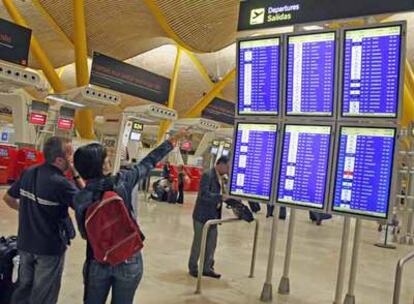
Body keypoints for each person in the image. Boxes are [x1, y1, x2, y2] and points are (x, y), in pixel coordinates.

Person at [73, 128, 188, 304]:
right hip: (129, 258)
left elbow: (84, 233)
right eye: (106, 158)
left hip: (97, 260)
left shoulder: (80, 198)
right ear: (104, 166)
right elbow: (148, 162)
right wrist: (172, 141)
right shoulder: (123, 181)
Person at [3, 136, 84, 304]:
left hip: (25, 243)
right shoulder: (62, 184)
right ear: (60, 159)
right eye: (71, 154)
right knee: (44, 294)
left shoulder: (29, 172)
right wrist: (76, 174)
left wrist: (25, 210)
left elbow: (8, 198)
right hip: (49, 249)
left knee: (23, 287)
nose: (73, 158)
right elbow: (87, 204)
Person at [188, 156, 230, 279]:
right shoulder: (208, 175)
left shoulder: (222, 178)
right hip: (202, 215)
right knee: (198, 243)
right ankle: (193, 267)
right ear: (220, 164)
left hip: (213, 216)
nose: (228, 169)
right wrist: (220, 197)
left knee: (211, 244)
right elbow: (203, 195)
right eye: (227, 167)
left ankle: (207, 267)